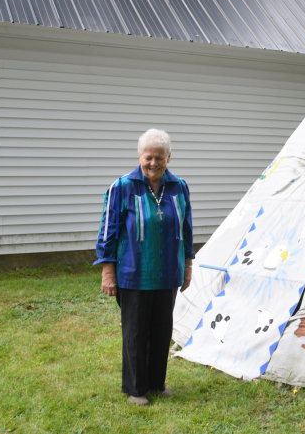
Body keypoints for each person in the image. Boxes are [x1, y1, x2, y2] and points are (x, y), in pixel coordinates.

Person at [95, 129, 194, 406]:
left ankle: (156, 383)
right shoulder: (122, 187)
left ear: (169, 157)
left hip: (167, 271)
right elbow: (107, 232)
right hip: (133, 272)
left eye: (159, 157)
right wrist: (107, 270)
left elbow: (187, 229)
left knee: (162, 330)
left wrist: (187, 265)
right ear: (140, 156)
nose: (153, 163)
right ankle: (136, 389)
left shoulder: (180, 187)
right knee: (136, 332)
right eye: (148, 157)